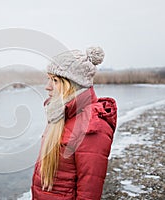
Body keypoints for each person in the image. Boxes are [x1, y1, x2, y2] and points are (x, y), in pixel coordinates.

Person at [31, 47, 117, 200]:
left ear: (73, 84)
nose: (47, 86)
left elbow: (89, 192)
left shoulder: (92, 126)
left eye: (55, 81)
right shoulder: (60, 114)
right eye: (49, 79)